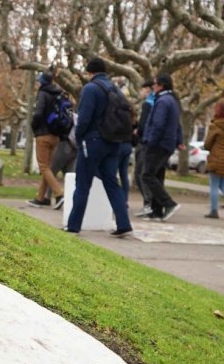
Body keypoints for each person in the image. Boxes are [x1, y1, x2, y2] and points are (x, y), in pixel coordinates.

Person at [64, 58, 133, 238]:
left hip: (93, 142)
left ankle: (73, 225)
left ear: (90, 72)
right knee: (112, 183)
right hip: (114, 142)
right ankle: (123, 223)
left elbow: (84, 118)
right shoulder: (116, 89)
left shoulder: (91, 89)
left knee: (83, 183)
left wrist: (79, 137)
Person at [140, 74, 182, 221]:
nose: (153, 87)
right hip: (167, 143)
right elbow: (177, 124)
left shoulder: (163, 101)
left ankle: (169, 203)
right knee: (157, 175)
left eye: (155, 84)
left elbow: (158, 124)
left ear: (162, 86)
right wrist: (178, 140)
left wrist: (150, 141)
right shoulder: (172, 100)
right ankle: (156, 211)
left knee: (147, 175)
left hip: (158, 144)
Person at [27, 72, 67, 209]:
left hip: (43, 134)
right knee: (47, 168)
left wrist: (34, 127)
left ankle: (60, 193)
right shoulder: (58, 93)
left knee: (43, 167)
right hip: (55, 135)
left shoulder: (43, 94)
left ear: (43, 82)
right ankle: (41, 198)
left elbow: (38, 113)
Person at [202, 102, 224, 219]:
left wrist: (207, 147)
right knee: (223, 184)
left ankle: (214, 210)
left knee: (214, 185)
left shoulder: (215, 126)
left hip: (217, 159)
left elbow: (207, 144)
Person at [133, 81, 156, 216]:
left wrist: (138, 131)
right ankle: (150, 203)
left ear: (147, 90)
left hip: (144, 142)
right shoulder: (157, 102)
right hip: (152, 143)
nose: (140, 93)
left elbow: (143, 124)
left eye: (142, 90)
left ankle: (148, 203)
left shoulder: (148, 104)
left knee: (140, 173)